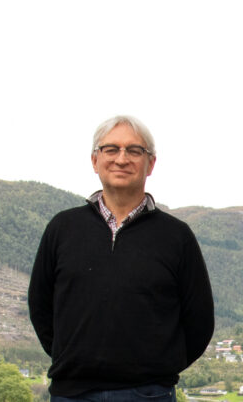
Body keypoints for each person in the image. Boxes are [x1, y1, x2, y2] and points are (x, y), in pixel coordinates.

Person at [28, 115, 214, 402]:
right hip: (72, 394)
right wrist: (74, 358)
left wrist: (157, 370)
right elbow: (40, 307)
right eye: (111, 149)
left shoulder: (176, 237)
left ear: (150, 163)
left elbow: (199, 322)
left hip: (149, 394)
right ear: (95, 160)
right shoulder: (62, 228)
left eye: (134, 150)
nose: (121, 158)